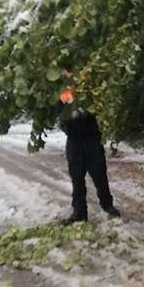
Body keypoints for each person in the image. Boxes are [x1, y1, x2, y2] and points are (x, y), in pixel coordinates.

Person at [56, 74, 121, 224]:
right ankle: (79, 212)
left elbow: (100, 107)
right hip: (74, 142)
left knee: (99, 174)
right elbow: (59, 113)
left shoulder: (89, 87)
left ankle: (107, 206)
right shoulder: (62, 92)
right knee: (77, 179)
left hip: (92, 139)